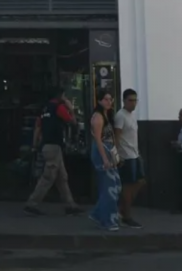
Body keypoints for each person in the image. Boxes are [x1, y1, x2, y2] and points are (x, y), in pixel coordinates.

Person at [24, 87, 83, 217]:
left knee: (62, 177)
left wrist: (34, 145)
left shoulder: (44, 109)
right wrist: (71, 109)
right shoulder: (59, 108)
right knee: (48, 176)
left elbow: (38, 127)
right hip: (54, 146)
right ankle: (32, 203)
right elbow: (72, 121)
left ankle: (70, 204)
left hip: (46, 145)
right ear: (60, 96)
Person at [89, 91, 121, 231]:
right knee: (109, 187)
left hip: (109, 149)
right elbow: (98, 139)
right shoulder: (98, 117)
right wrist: (105, 158)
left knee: (115, 184)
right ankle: (108, 219)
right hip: (102, 150)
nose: (109, 102)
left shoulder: (107, 116)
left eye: (110, 99)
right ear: (100, 101)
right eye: (106, 99)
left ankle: (99, 213)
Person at [114, 88, 145, 228]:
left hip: (135, 154)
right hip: (126, 156)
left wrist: (138, 153)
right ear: (124, 101)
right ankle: (127, 215)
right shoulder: (120, 116)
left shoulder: (131, 115)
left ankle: (122, 208)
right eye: (130, 100)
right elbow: (117, 136)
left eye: (135, 100)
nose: (133, 103)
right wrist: (117, 156)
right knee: (127, 186)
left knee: (140, 182)